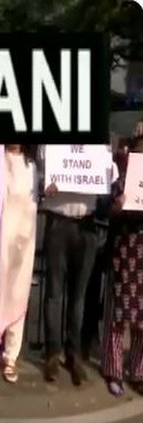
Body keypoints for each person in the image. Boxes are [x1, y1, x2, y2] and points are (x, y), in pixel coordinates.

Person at [40, 145, 116, 386]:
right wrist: (47, 184)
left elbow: (111, 173)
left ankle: (74, 355)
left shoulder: (99, 144)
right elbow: (43, 169)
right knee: (54, 292)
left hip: (87, 225)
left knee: (79, 297)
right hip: (58, 222)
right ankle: (53, 352)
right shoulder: (52, 141)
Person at [0, 145, 38, 383]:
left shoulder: (31, 166)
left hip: (22, 238)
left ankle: (10, 355)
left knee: (17, 291)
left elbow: (33, 202)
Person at [101, 141, 143, 396]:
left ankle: (138, 372)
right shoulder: (122, 181)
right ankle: (113, 370)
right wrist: (117, 207)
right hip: (124, 255)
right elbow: (107, 210)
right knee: (117, 317)